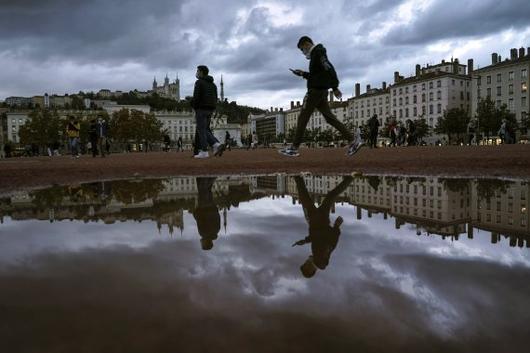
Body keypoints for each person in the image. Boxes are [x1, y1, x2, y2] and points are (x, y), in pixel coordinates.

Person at [280, 36, 356, 157]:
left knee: (302, 118)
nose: (303, 52)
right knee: (330, 118)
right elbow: (318, 76)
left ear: (306, 44)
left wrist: (335, 87)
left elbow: (329, 68)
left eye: (302, 49)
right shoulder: (317, 54)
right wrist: (302, 73)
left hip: (314, 92)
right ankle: (352, 140)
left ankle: (294, 147)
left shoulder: (318, 53)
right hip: (321, 92)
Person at [291, 175, 353, 278]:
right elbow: (327, 241)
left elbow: (326, 242)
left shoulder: (321, 260)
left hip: (321, 222)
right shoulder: (319, 259)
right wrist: (336, 227)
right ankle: (297, 177)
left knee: (329, 197)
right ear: (309, 269)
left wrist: (305, 241)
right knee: (306, 199)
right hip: (318, 222)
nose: (306, 261)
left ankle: (350, 178)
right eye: (305, 264)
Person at [190, 65, 225, 159]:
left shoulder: (199, 82)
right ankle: (216, 144)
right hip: (210, 109)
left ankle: (204, 151)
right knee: (204, 129)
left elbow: (196, 97)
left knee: (201, 130)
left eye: (198, 71)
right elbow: (215, 97)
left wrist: (193, 105)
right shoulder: (213, 85)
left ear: (201, 72)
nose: (197, 73)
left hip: (201, 109)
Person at [193, 177, 220, 250]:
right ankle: (210, 177)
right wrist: (194, 213)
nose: (200, 242)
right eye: (202, 244)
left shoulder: (216, 231)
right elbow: (199, 219)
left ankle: (211, 178)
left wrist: (215, 209)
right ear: (205, 243)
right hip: (203, 208)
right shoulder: (203, 233)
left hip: (212, 207)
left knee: (208, 191)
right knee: (202, 189)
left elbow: (218, 218)